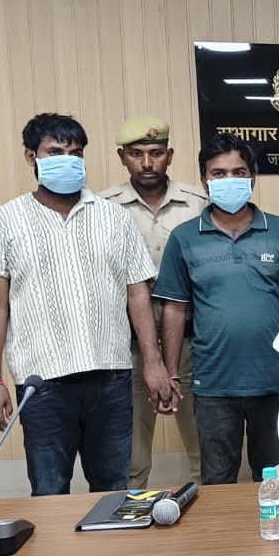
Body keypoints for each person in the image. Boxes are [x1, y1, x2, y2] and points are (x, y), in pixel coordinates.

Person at [0, 113, 173, 496]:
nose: (67, 161)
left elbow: (137, 294)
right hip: (42, 383)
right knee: (49, 491)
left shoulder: (114, 218)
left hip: (111, 376)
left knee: (113, 490)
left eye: (76, 153)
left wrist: (153, 362)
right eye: (55, 152)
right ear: (31, 157)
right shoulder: (4, 221)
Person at [152, 134, 279, 484]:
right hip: (213, 384)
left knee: (276, 478)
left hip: (274, 381)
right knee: (217, 480)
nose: (229, 180)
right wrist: (171, 373)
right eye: (219, 173)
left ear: (253, 178)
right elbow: (174, 309)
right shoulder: (184, 237)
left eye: (239, 172)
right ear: (204, 180)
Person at [98, 116, 203, 489]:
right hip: (126, 345)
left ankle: (209, 516)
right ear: (122, 157)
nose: (146, 163)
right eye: (136, 154)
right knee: (130, 453)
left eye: (156, 153)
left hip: (191, 341)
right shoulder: (104, 208)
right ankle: (129, 515)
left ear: (169, 155)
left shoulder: (197, 204)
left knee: (204, 447)